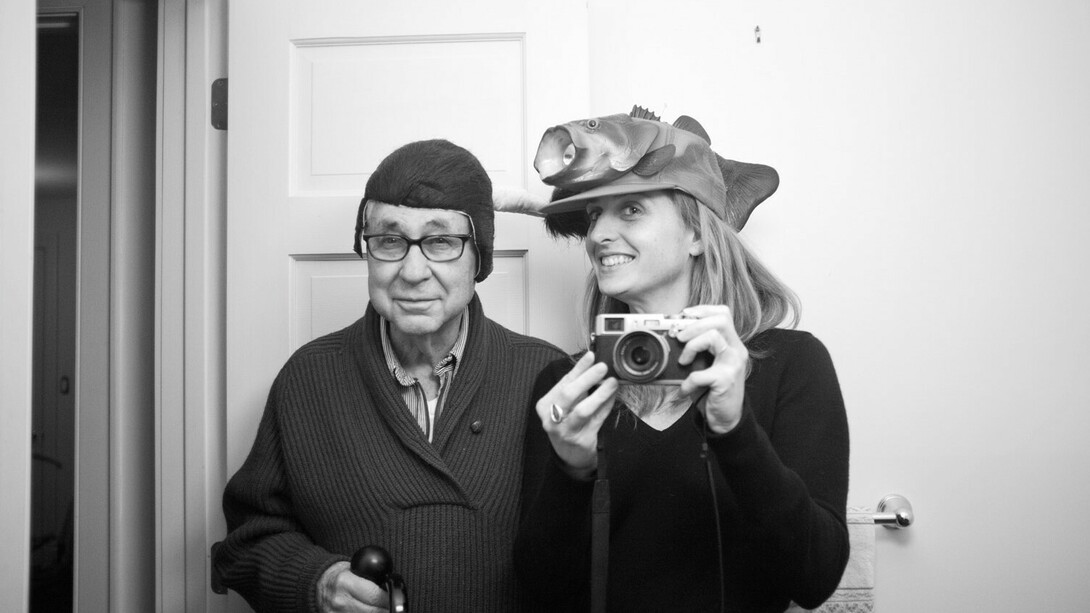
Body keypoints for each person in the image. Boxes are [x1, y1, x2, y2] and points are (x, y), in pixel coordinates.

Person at [511, 111, 850, 612]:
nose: (599, 234)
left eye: (629, 210)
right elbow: (540, 593)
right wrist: (570, 469)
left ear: (696, 233)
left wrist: (736, 431)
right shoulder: (567, 388)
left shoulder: (792, 365)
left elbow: (816, 577)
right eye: (592, 215)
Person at [211, 139, 567, 612]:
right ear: (366, 249)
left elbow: (586, 550)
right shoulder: (309, 379)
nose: (413, 271)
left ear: (479, 257)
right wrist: (317, 582)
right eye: (390, 240)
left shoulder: (545, 376)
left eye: (441, 241)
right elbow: (246, 542)